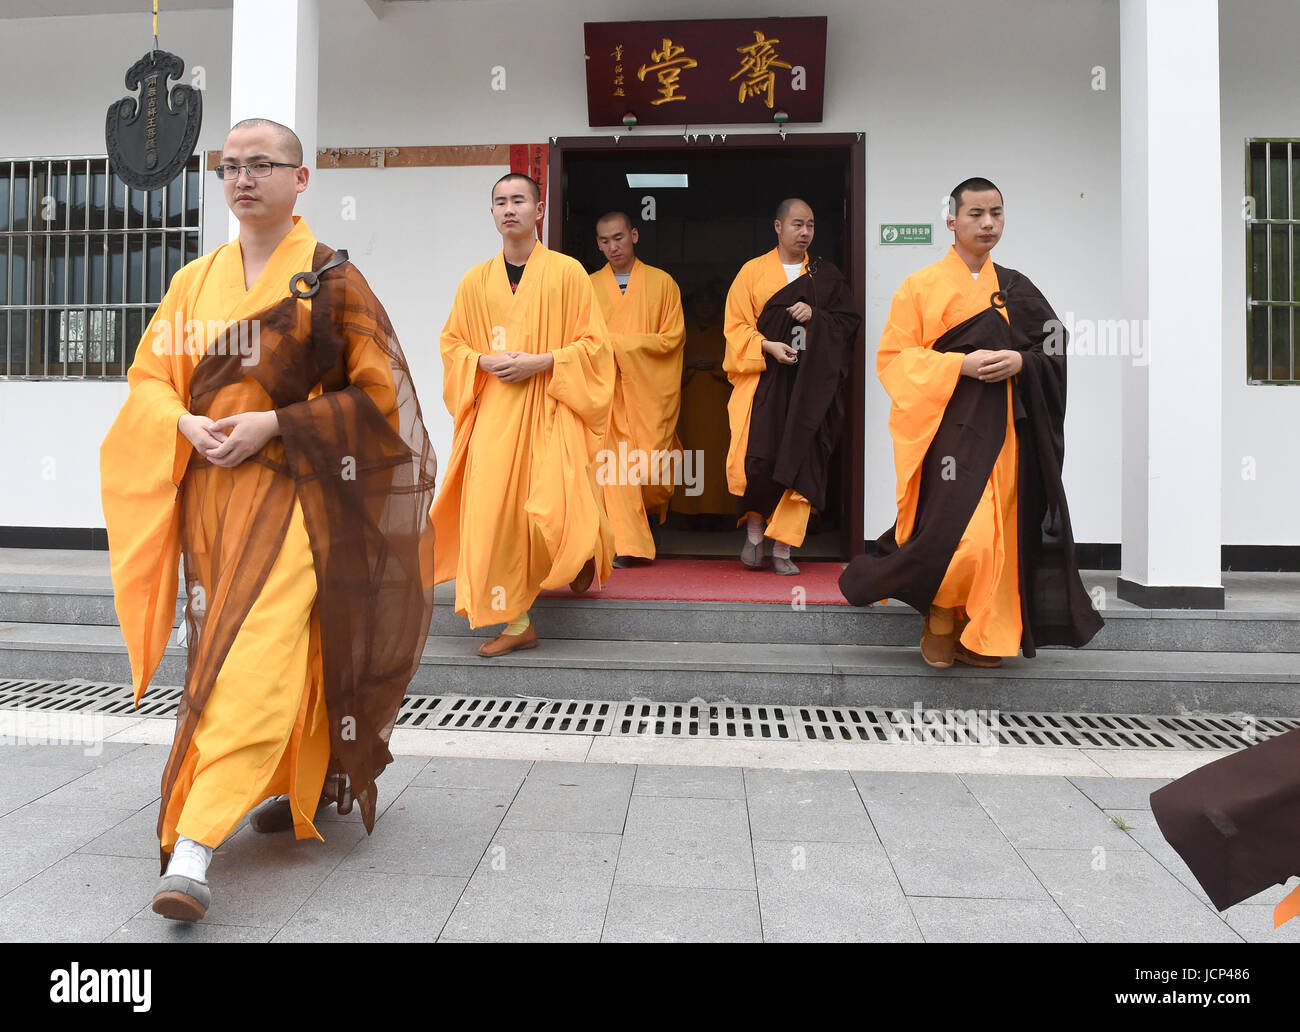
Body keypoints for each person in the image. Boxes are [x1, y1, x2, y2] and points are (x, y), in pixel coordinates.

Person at [99, 118, 437, 921]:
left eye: (261, 164)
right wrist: (182, 424)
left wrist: (277, 426)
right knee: (260, 646)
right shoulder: (196, 280)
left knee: (250, 651)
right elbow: (150, 379)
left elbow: (377, 401)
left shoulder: (329, 282)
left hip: (297, 496)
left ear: (301, 178)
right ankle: (309, 775)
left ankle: (196, 846)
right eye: (229, 167)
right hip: (212, 503)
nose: (242, 179)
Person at [839, 177, 1101, 665]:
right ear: (951, 220)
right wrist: (958, 364)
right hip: (948, 434)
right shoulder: (919, 287)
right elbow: (893, 360)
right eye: (976, 214)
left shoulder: (1016, 288)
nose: (987, 223)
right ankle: (942, 613)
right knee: (966, 534)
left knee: (1002, 532)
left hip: (1007, 436)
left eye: (996, 213)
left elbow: (1054, 344)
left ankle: (985, 632)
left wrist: (1023, 364)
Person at [431, 173, 615, 656]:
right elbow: (453, 345)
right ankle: (517, 621)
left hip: (552, 402)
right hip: (494, 409)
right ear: (492, 213)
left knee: (554, 499)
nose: (508, 209)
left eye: (519, 200)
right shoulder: (474, 280)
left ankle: (576, 551)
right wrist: (479, 361)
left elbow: (595, 345)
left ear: (539, 210)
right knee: (495, 512)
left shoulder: (568, 272)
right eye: (499, 202)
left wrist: (544, 360)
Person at [723, 198, 860, 575]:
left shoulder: (825, 275)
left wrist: (816, 316)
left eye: (811, 226)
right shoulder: (751, 273)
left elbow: (848, 323)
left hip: (811, 385)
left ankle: (783, 546)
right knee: (761, 458)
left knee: (804, 457)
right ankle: (755, 532)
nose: (805, 232)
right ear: (778, 227)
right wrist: (765, 345)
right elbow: (734, 328)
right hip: (766, 381)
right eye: (797, 225)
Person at [590, 212, 685, 566]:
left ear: (634, 234)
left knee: (651, 471)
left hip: (650, 393)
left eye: (618, 237)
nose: (612, 247)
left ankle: (648, 519)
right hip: (607, 394)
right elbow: (581, 341)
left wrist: (618, 345)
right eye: (604, 241)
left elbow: (672, 340)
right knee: (615, 469)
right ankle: (626, 544)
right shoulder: (588, 285)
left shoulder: (663, 284)